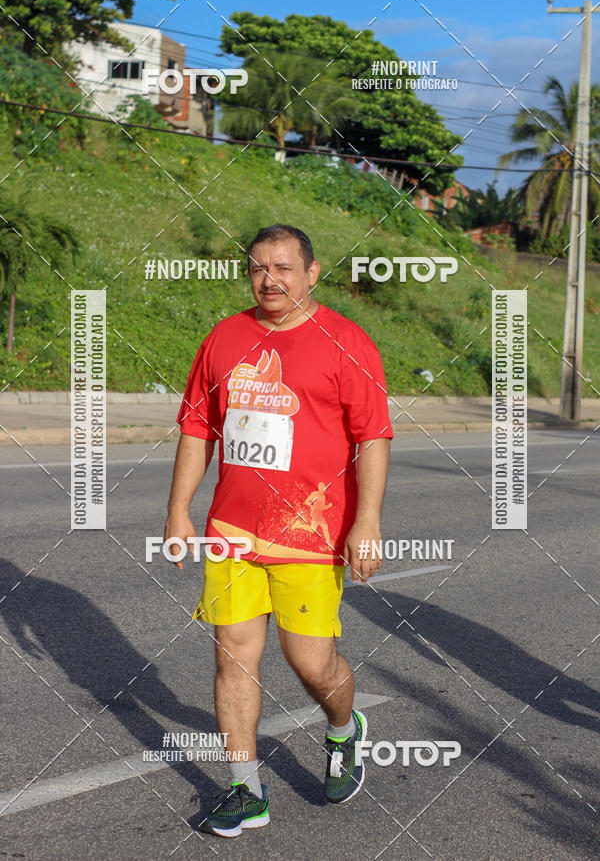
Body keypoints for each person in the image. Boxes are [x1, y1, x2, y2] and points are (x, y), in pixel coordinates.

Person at [164, 224, 392, 838]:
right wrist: (179, 510)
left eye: (283, 268)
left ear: (311, 273)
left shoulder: (346, 342)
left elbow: (373, 437)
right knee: (233, 657)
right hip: (233, 529)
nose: (270, 280)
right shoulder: (224, 338)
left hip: (311, 532)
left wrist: (367, 521)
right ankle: (246, 789)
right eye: (259, 268)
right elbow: (198, 429)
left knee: (310, 663)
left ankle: (343, 729)